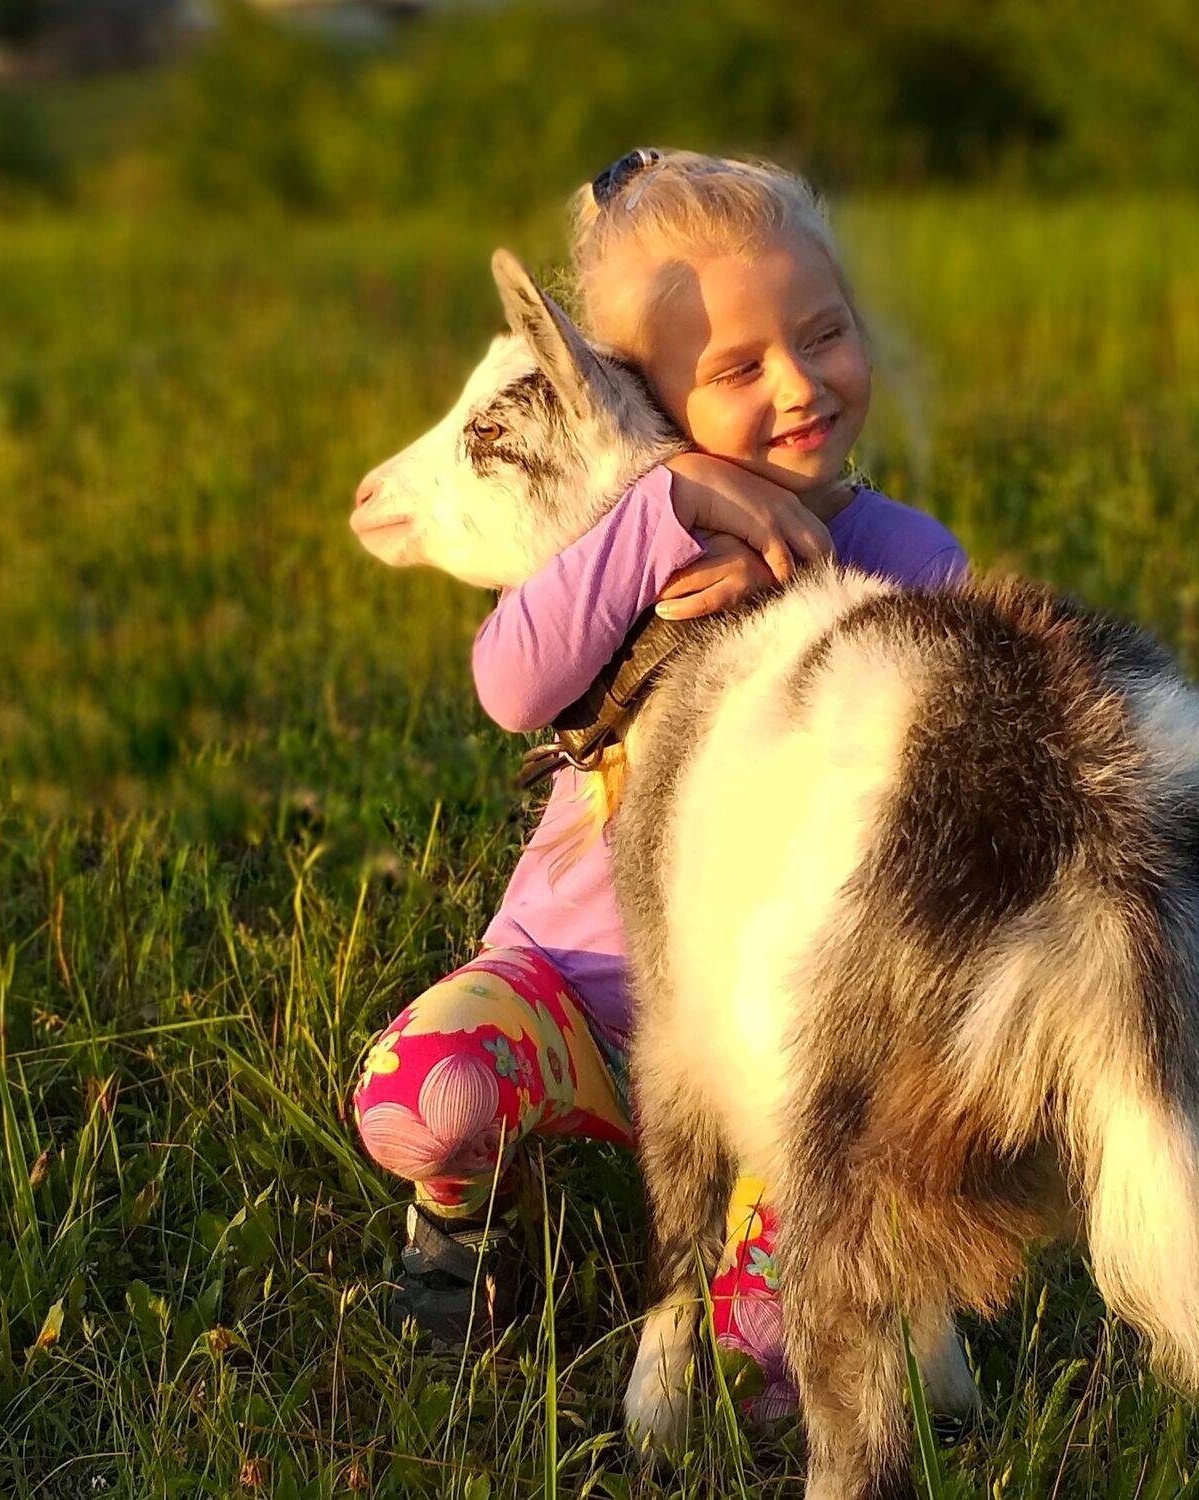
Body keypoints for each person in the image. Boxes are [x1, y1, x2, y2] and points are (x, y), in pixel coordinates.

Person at [352, 148, 967, 1422]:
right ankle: (460, 1226)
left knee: (769, 1371)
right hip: (579, 989)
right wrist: (670, 505)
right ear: (646, 397)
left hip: (783, 1036)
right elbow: (511, 684)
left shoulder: (908, 560)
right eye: (738, 370)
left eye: (824, 334)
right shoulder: (620, 544)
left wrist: (801, 581)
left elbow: (927, 783)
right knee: (423, 1096)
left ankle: (791, 1262)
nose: (798, 385)